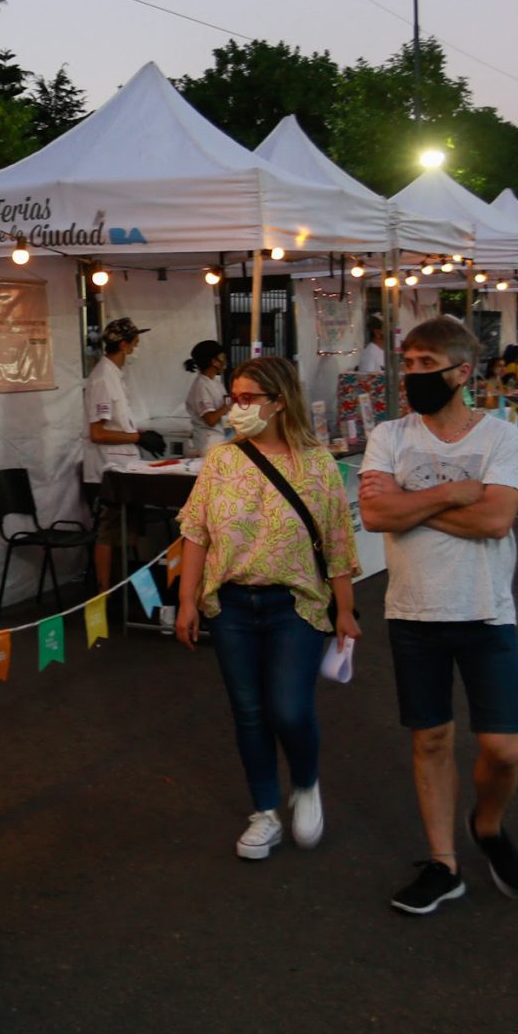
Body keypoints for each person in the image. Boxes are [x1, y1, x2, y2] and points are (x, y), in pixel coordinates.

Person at [357, 316, 518, 916]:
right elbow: (376, 517)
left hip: (486, 613)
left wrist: (409, 503)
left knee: (503, 748)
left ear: (462, 373)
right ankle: (444, 863)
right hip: (413, 612)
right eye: (407, 364)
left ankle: (487, 825)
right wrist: (449, 494)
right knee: (431, 739)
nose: (412, 375)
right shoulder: (390, 435)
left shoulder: (503, 440)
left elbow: (494, 521)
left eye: (426, 365)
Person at [174, 356, 360, 860]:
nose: (237, 407)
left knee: (288, 707)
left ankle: (305, 783)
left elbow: (339, 543)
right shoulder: (221, 461)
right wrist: (187, 601)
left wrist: (345, 610)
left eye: (248, 398)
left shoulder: (316, 463)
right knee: (249, 713)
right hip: (231, 605)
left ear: (279, 402)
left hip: (295, 604)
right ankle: (264, 811)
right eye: (234, 397)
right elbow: (195, 532)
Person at [82, 317, 153, 587]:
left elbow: (118, 423)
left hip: (123, 466)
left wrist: (139, 437)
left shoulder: (114, 376)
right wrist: (137, 437)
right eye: (135, 341)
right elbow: (97, 433)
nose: (137, 345)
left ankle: (122, 586)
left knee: (125, 532)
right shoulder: (102, 379)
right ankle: (105, 593)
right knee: (108, 533)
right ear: (124, 344)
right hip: (106, 470)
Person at [184, 339, 230, 455]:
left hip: (219, 439)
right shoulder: (201, 386)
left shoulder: (215, 382)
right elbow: (210, 419)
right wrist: (228, 405)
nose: (225, 361)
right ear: (214, 361)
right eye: (222, 358)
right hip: (208, 443)